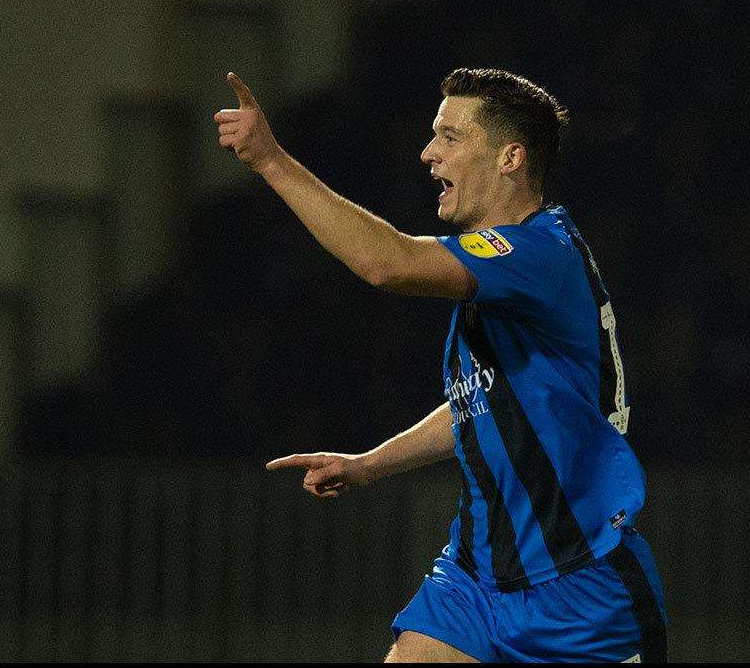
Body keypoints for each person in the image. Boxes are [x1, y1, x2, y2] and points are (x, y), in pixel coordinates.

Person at [216, 67, 669, 663]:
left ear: (510, 157)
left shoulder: (540, 254)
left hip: (580, 588)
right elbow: (480, 404)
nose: (429, 153)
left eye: (451, 137)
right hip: (473, 580)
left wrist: (270, 161)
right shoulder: (499, 278)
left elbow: (389, 263)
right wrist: (369, 465)